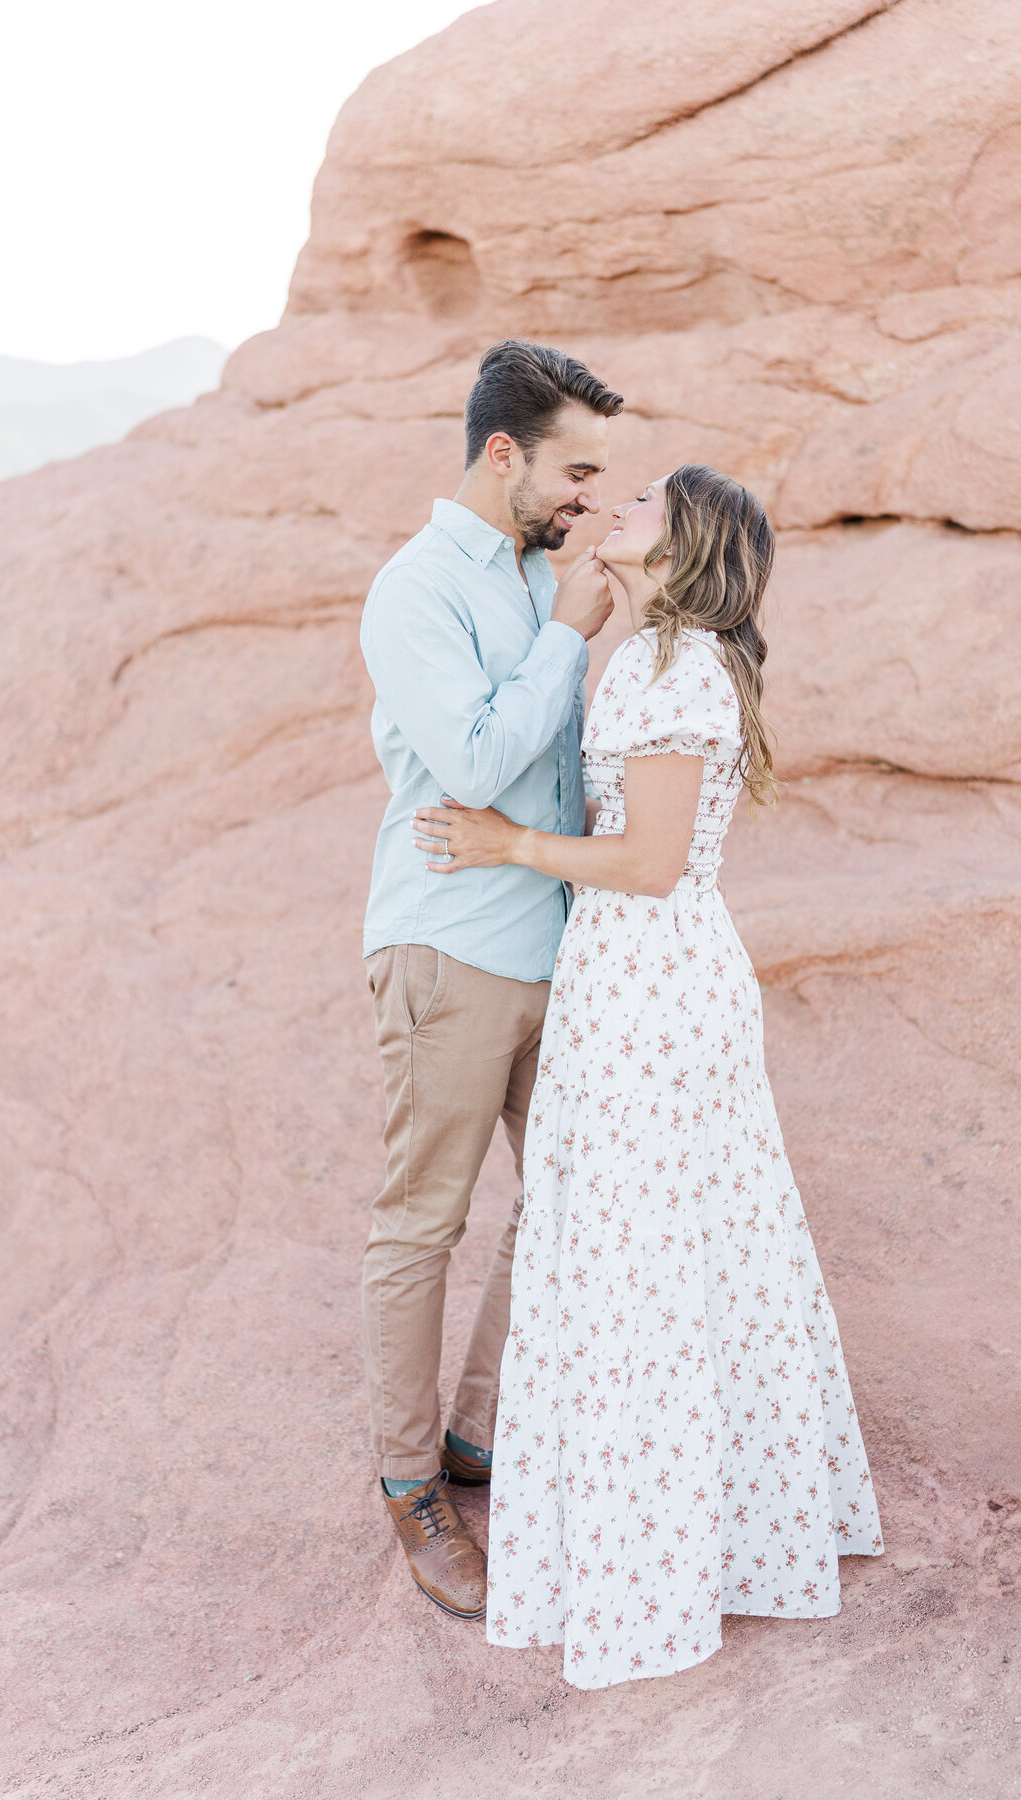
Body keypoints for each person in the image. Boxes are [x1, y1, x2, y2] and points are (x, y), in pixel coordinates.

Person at [412, 463, 883, 1687]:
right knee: (683, 1241)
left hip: (650, 980)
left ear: (679, 554)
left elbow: (656, 860)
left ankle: (656, 1557)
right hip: (644, 978)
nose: (616, 511)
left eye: (641, 512)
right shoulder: (661, 657)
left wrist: (502, 843)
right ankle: (713, 1527)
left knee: (642, 1250)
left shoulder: (676, 670)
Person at [359, 339, 623, 1621]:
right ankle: (412, 1482)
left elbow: (555, 773)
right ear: (504, 452)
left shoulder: (533, 576)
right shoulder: (416, 590)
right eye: (575, 470)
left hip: (556, 944)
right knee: (426, 1220)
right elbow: (470, 763)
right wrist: (571, 641)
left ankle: (479, 1431)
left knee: (571, 1195)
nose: (587, 498)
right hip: (451, 946)